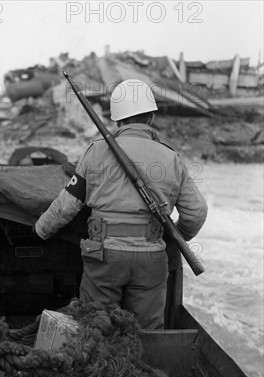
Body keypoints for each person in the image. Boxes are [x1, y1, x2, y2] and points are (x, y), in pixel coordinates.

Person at [34, 79, 208, 329]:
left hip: (104, 256)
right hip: (151, 257)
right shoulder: (171, 158)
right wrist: (176, 237)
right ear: (150, 118)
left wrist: (41, 229)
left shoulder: (96, 152)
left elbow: (67, 205)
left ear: (117, 120)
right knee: (147, 335)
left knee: (96, 330)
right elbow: (197, 212)